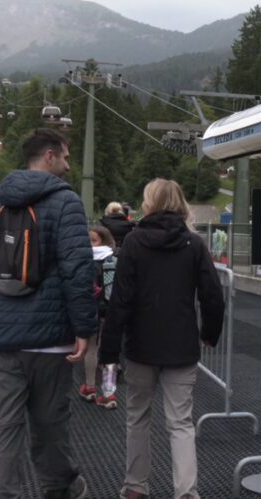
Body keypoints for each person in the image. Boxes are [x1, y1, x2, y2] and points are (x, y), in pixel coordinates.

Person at [0, 128, 97, 499]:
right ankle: (59, 488)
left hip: (1, 341)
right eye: (67, 157)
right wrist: (84, 327)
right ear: (50, 157)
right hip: (49, 341)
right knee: (50, 422)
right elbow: (77, 270)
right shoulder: (66, 203)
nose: (70, 166)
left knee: (2, 424)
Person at [99, 178, 225, 499]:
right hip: (181, 346)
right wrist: (209, 333)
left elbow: (120, 302)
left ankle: (135, 487)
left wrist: (109, 354)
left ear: (149, 204)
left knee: (137, 417)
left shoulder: (134, 243)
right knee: (181, 422)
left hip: (140, 346)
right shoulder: (193, 244)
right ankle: (186, 492)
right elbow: (212, 296)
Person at [77, 224, 118, 409]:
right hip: (110, 310)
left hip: (90, 308)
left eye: (92, 240)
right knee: (110, 352)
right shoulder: (113, 259)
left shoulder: (84, 260)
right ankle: (109, 393)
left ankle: (90, 387)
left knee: (91, 348)